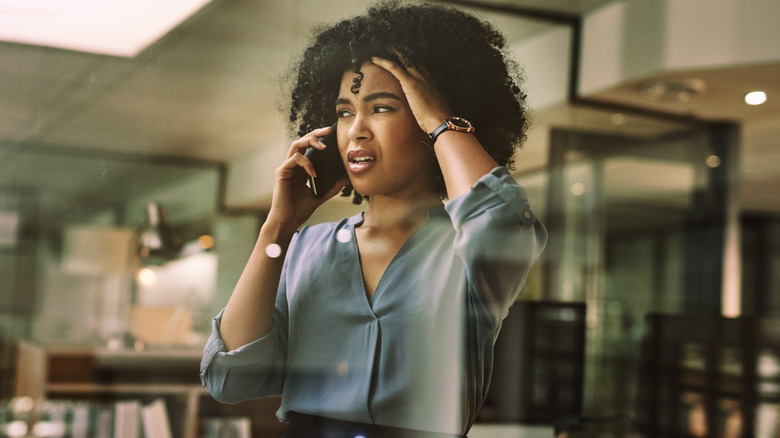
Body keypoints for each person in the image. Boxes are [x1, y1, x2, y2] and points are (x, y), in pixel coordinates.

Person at [200, 1, 547, 436]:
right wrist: (278, 229)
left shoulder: (467, 248)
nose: (356, 130)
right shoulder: (306, 247)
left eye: (381, 108)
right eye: (345, 112)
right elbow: (229, 379)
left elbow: (503, 222)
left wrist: (441, 121)